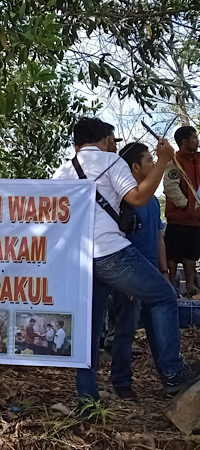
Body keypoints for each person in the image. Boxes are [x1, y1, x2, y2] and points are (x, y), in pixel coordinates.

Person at [53, 117, 199, 401]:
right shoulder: (111, 162)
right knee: (164, 296)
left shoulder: (62, 172)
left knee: (90, 328)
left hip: (78, 257)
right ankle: (171, 371)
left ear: (76, 143)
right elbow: (139, 197)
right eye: (113, 140)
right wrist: (163, 160)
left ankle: (87, 395)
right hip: (110, 251)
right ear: (106, 140)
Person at [108, 142, 170, 399]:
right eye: (148, 161)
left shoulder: (153, 202)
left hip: (152, 273)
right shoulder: (124, 201)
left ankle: (169, 376)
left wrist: (165, 270)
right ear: (134, 167)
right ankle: (121, 382)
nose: (154, 165)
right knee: (125, 329)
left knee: (160, 327)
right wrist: (128, 281)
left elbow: (158, 237)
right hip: (130, 274)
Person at [162, 126, 200, 297]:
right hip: (178, 218)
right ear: (184, 141)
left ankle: (191, 285)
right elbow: (171, 187)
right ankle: (171, 282)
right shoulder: (174, 162)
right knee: (173, 253)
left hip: (196, 220)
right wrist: (185, 205)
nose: (197, 141)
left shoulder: (199, 160)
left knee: (192, 254)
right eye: (194, 138)